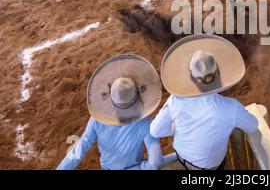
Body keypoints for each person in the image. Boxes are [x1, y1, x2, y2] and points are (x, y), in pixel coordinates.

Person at [150, 34, 259, 170]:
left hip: (183, 160)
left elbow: (155, 131)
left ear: (191, 76)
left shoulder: (176, 101)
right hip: (214, 167)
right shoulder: (231, 107)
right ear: (218, 74)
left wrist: (175, 130)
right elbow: (253, 125)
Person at [57, 54, 176, 170]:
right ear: (137, 93)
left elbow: (80, 148)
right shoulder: (146, 124)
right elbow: (156, 163)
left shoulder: (97, 120)